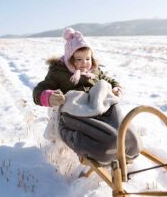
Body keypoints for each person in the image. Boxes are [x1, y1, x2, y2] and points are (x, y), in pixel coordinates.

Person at [33, 28, 141, 164]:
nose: (85, 63)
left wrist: (115, 87)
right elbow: (39, 90)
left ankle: (129, 141)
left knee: (105, 91)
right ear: (69, 59)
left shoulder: (94, 70)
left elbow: (109, 80)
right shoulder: (59, 72)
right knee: (98, 131)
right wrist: (48, 96)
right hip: (75, 112)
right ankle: (100, 147)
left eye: (88, 58)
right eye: (79, 59)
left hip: (99, 109)